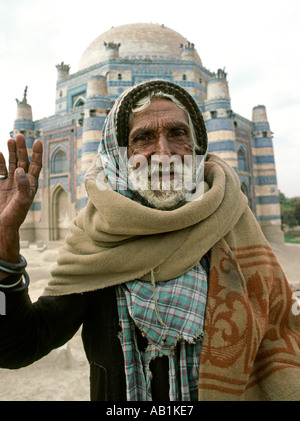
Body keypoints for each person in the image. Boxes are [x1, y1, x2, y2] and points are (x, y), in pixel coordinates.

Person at [0, 79, 299, 401]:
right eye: (143, 137)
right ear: (118, 154)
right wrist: (4, 248)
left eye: (177, 133)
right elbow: (17, 348)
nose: (164, 152)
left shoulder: (234, 222)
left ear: (197, 145)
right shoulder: (96, 243)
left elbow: (281, 334)